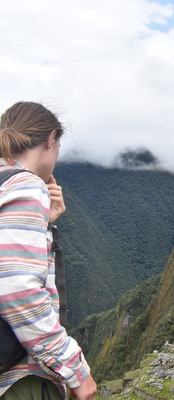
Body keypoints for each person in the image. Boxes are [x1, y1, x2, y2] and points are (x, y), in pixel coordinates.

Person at [0, 102, 97, 400]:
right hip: (20, 378)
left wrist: (45, 222)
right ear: (50, 139)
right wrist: (75, 370)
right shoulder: (27, 186)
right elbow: (18, 291)